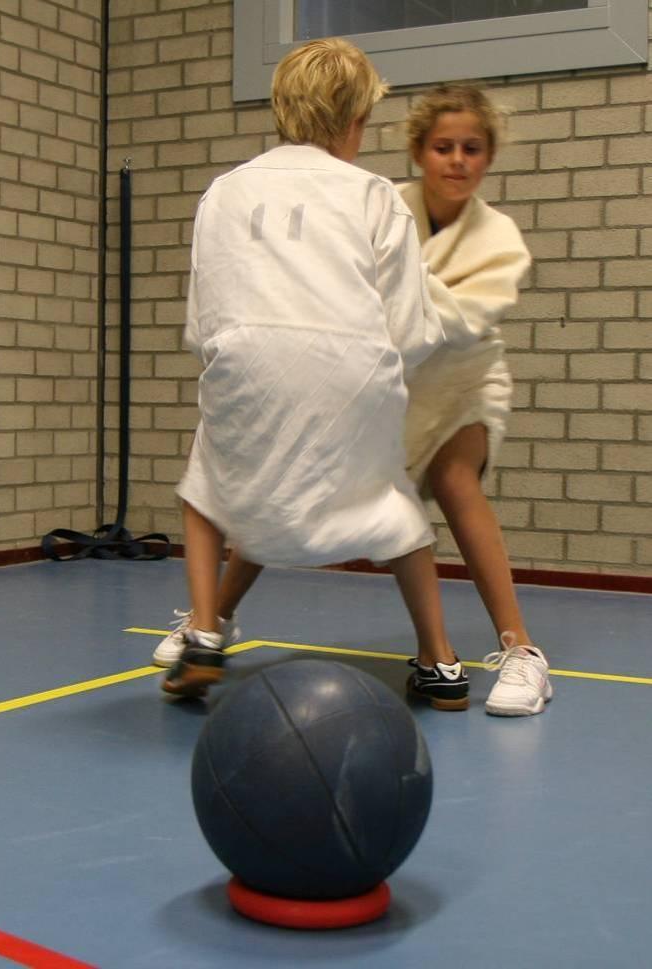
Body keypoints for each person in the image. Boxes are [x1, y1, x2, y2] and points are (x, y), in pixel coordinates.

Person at [160, 38, 472, 710]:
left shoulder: (224, 191)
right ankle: (440, 663)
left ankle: (205, 631)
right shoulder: (376, 196)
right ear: (353, 121)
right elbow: (410, 327)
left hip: (245, 366)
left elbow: (204, 318)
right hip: (353, 370)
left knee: (207, 483)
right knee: (392, 503)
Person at [397, 84, 552, 717]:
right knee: (311, 484)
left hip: (468, 377)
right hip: (397, 385)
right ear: (417, 152)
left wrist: (396, 287)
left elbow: (460, 320)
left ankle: (522, 653)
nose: (457, 160)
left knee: (456, 480)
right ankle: (211, 625)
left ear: (488, 157)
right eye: (443, 147)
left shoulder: (500, 237)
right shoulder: (384, 211)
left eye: (472, 148)